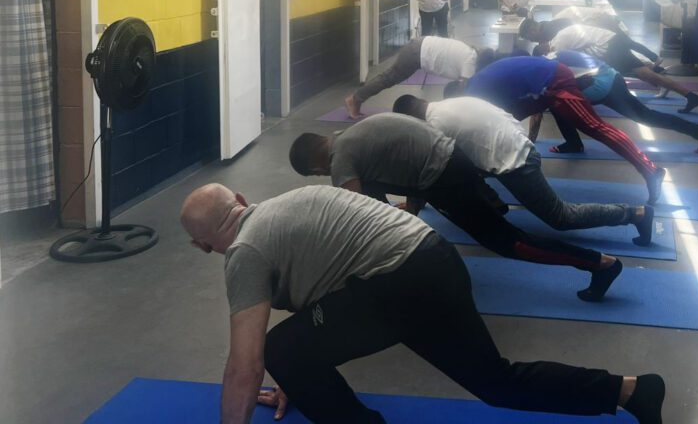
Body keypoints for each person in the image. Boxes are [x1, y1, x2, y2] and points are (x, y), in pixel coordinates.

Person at [181, 183, 666, 424]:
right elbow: (326, 298)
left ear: (204, 247)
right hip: (433, 258)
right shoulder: (289, 203)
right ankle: (630, 391)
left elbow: (243, 368)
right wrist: (300, 380)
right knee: (497, 381)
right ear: (241, 198)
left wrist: (289, 368)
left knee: (280, 347)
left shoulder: (244, 253)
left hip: (395, 283)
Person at [289, 113, 625, 301]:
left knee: (509, 242)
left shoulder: (342, 159)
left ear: (316, 165)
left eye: (319, 173)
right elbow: (404, 165)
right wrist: (413, 209)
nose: (325, 175)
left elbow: (356, 213)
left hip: (445, 177)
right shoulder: (349, 135)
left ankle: (598, 263)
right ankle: (491, 207)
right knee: (495, 228)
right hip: (450, 163)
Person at [392, 94, 656, 246]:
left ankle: (636, 215)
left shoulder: (435, 126)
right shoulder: (449, 103)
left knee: (561, 218)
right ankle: (494, 203)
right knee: (460, 170)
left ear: (411, 118)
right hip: (517, 142)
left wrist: (414, 205)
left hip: (516, 161)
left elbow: (428, 169)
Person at [449, 56, 667, 204]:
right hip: (541, 87)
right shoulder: (476, 87)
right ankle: (486, 176)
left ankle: (650, 170)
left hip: (554, 83)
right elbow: (520, 111)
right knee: (502, 127)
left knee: (595, 127)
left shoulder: (476, 95)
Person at [544, 50, 698, 154]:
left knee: (647, 117)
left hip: (604, 85)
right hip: (609, 77)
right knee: (558, 106)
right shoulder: (552, 57)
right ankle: (573, 143)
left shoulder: (548, 67)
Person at [519, 19, 698, 113]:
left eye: (531, 38)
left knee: (636, 75)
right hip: (609, 39)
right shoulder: (555, 32)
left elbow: (561, 70)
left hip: (609, 45)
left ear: (534, 30)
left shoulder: (557, 41)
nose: (533, 41)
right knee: (642, 74)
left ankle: (687, 95)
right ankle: (685, 93)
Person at [344, 35, 493, 119]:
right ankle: (355, 99)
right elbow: (463, 90)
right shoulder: (470, 62)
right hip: (417, 53)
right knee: (388, 78)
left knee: (388, 78)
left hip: (419, 46)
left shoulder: (472, 53)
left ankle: (357, 99)